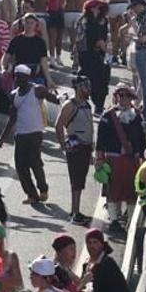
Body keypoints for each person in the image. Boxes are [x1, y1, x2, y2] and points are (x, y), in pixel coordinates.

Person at [0, 64, 59, 203]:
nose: (18, 80)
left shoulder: (37, 90)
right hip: (20, 135)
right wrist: (2, 138)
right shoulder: (14, 95)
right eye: (17, 77)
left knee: (35, 163)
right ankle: (32, 195)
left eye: (21, 77)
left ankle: (43, 189)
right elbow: (12, 118)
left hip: (35, 133)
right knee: (20, 166)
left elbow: (51, 98)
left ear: (28, 77)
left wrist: (57, 98)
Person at [96, 85, 146, 233]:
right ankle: (113, 221)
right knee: (112, 190)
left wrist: (144, 159)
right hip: (113, 159)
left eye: (127, 95)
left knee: (132, 190)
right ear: (116, 96)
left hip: (132, 159)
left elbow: (142, 139)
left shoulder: (137, 116)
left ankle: (130, 222)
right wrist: (99, 158)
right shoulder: (107, 116)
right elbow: (101, 139)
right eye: (121, 95)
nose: (123, 98)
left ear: (131, 98)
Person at [55, 74, 96, 224]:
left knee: (81, 180)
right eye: (85, 86)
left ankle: (75, 210)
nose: (88, 89)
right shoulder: (70, 105)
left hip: (85, 147)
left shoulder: (86, 104)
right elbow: (59, 126)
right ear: (77, 87)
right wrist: (63, 146)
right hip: (76, 148)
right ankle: (75, 213)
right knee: (76, 181)